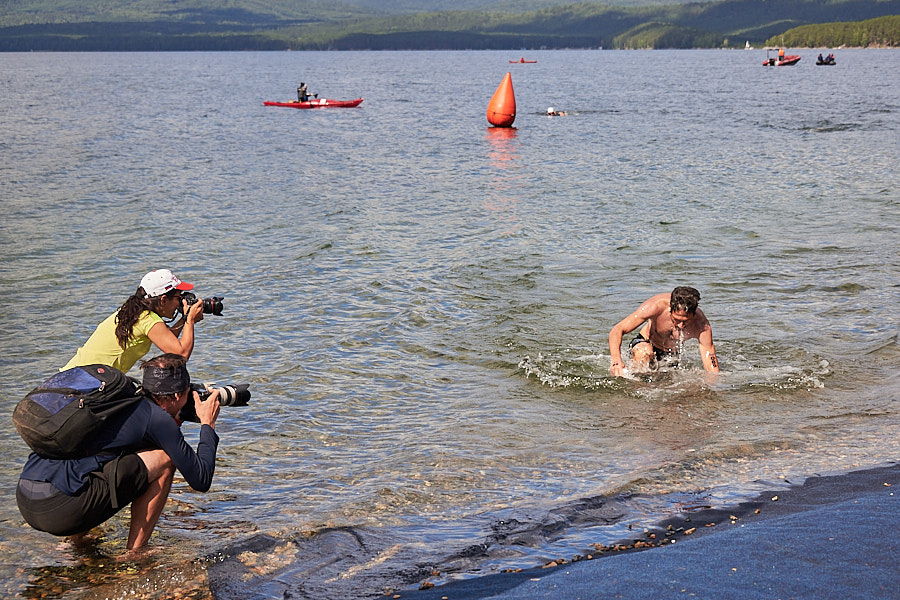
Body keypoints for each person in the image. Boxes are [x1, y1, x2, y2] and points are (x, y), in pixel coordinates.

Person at [16, 353, 221, 555]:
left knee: (93, 463)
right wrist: (207, 424)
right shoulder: (157, 420)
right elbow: (201, 479)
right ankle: (136, 552)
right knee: (164, 460)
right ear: (177, 395)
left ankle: (77, 542)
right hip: (62, 513)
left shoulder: (116, 401)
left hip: (27, 500)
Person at [62, 269, 205, 374]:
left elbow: (167, 340)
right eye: (179, 298)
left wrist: (184, 319)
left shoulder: (134, 311)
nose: (180, 303)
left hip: (75, 373)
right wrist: (189, 320)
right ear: (163, 300)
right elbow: (181, 355)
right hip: (85, 381)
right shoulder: (148, 319)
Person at [608, 286, 719, 376]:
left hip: (671, 356)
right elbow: (617, 330)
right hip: (646, 343)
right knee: (644, 353)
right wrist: (616, 361)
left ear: (694, 314)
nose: (680, 326)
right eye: (676, 320)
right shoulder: (655, 307)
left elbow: (710, 360)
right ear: (670, 309)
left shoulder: (702, 325)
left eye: (686, 321)